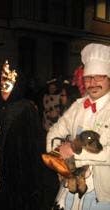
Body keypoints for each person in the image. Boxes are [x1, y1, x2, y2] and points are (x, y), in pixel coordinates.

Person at [46, 43, 110, 210]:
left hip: (101, 193)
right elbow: (54, 132)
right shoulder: (78, 105)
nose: (92, 83)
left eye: (99, 77)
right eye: (88, 78)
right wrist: (58, 154)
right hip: (70, 186)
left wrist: (73, 152)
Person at [0, 60, 43, 209]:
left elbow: (33, 145)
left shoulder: (26, 108)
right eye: (2, 85)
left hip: (18, 172)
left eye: (8, 85)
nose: (4, 89)